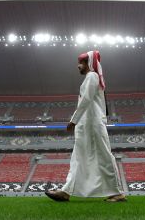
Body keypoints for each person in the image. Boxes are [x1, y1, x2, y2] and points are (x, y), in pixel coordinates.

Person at [45, 50, 126, 202]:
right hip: (85, 125)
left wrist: (73, 120)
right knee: (77, 157)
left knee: (103, 156)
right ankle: (66, 191)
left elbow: (86, 99)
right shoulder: (91, 78)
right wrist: (77, 122)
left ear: (88, 63)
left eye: (81, 63)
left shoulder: (92, 76)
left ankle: (117, 192)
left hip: (93, 124)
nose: (78, 66)